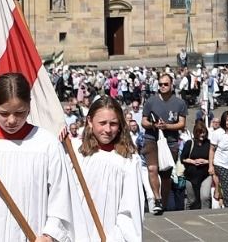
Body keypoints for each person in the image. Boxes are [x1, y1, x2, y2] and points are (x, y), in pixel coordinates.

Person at [0, 73, 75, 242]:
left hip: (34, 233)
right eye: (4, 113)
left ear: (29, 106)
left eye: (19, 113)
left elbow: (61, 197)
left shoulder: (47, 144)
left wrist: (50, 235)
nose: (11, 120)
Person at [70, 97, 144, 242]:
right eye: (102, 123)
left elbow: (130, 208)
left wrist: (118, 238)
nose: (108, 130)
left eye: (113, 124)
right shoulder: (74, 153)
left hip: (110, 234)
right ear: (90, 121)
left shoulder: (128, 160)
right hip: (77, 233)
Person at [140, 74, 188, 215]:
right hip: (152, 138)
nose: (162, 87)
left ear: (171, 85)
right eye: (160, 84)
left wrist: (166, 126)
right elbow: (143, 121)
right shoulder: (150, 101)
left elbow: (181, 123)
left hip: (170, 141)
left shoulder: (179, 103)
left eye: (165, 84)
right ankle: (157, 199)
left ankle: (164, 203)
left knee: (166, 174)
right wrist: (154, 125)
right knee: (152, 169)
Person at [177, 120, 214, 210]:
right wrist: (193, 162)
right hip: (191, 176)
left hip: (205, 175)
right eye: (200, 133)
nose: (202, 135)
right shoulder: (190, 143)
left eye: (204, 133)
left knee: (205, 197)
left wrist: (205, 161)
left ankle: (206, 215)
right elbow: (183, 158)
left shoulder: (209, 143)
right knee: (192, 200)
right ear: (196, 133)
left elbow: (213, 158)